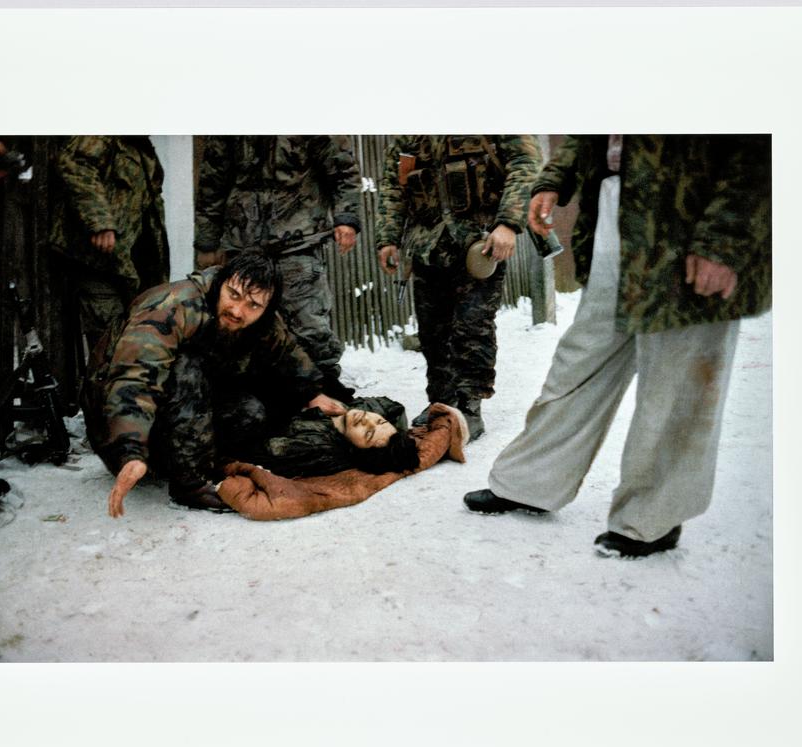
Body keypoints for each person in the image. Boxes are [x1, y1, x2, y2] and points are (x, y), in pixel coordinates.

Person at [464, 135, 772, 558]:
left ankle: (651, 519)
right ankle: (530, 482)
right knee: (582, 357)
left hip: (692, 216)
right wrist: (554, 178)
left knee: (678, 377)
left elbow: (756, 149)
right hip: (617, 204)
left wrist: (724, 241)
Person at [81, 253, 346, 517]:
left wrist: (314, 393)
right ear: (220, 283)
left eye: (253, 305)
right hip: (113, 429)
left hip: (170, 421)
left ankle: (187, 461)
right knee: (188, 366)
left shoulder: (261, 320)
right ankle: (189, 484)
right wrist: (130, 451)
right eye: (233, 294)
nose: (238, 310)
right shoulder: (175, 305)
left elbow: (287, 351)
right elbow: (134, 375)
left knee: (250, 413)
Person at [375, 135, 542, 439]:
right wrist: (388, 237)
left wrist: (507, 223)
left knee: (472, 325)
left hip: (478, 241)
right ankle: (441, 402)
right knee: (431, 330)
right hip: (427, 243)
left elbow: (525, 162)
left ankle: (469, 406)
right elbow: (392, 182)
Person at [194, 136, 363, 400]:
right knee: (241, 323)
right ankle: (250, 402)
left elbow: (342, 169)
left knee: (309, 326)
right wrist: (206, 241)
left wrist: (347, 218)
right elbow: (212, 180)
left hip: (298, 241)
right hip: (243, 242)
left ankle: (323, 395)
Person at [49, 135, 170, 349]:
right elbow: (76, 166)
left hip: (129, 267)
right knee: (110, 345)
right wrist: (100, 222)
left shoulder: (142, 149)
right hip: (97, 263)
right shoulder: (99, 133)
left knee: (141, 342)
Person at [236, 396, 421, 478]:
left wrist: (306, 400)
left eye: (369, 433)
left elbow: (257, 447)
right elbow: (394, 408)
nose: (367, 420)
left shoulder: (313, 445)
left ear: (357, 450)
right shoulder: (369, 414)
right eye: (380, 422)